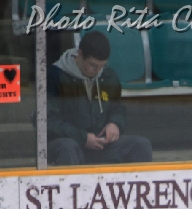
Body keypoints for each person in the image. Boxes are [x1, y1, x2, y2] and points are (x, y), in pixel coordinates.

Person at [47, 30, 151, 166]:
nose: (97, 70)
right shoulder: (55, 76)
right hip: (71, 142)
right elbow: (47, 120)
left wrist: (114, 123)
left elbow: (117, 108)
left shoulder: (108, 75)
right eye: (93, 65)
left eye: (102, 65)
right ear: (80, 54)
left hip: (101, 143)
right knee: (67, 148)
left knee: (141, 145)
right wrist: (83, 138)